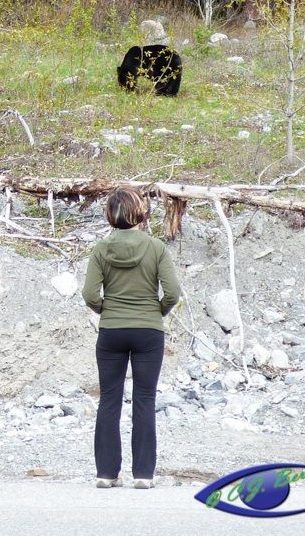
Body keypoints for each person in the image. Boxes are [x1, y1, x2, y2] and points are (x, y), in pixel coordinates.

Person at [82, 186, 181, 490]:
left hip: (111, 331)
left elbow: (90, 294)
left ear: (109, 215)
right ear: (140, 212)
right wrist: (156, 311)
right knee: (145, 400)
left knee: (109, 400)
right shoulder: (156, 248)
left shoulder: (101, 249)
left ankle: (106, 473)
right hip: (148, 331)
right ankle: (143, 474)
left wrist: (107, 310)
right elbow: (172, 293)